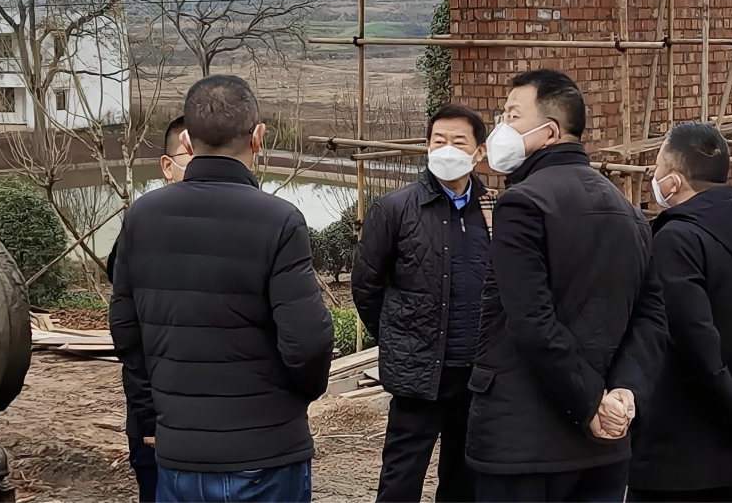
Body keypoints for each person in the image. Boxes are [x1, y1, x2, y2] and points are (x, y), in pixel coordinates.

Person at [109, 75, 334, 503]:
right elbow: (309, 341)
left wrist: (150, 416)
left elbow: (125, 330)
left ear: (187, 142)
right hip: (267, 451)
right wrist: (294, 400)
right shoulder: (280, 220)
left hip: (180, 455)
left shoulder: (142, 216)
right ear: (258, 137)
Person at [467, 70, 666, 503]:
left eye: (512, 116)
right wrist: (624, 393)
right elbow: (651, 319)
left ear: (550, 132)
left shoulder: (523, 203)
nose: (501, 128)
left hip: (525, 442)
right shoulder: (629, 212)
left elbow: (531, 321)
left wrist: (590, 403)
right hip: (606, 442)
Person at [627, 122, 732, 503]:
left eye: (657, 166)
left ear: (674, 181)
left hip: (670, 455)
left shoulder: (676, 239)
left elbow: (691, 338)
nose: (653, 176)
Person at [352, 104, 496, 503]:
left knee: (464, 475)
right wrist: (398, 338)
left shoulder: (494, 210)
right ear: (426, 145)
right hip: (417, 370)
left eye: (458, 142)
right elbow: (366, 286)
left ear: (479, 152)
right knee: (402, 473)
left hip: (475, 372)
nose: (447, 149)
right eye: (439, 140)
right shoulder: (394, 209)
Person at [105, 115, 191, 503]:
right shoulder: (140, 230)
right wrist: (147, 417)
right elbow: (129, 337)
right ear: (167, 167)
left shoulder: (254, 225)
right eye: (192, 160)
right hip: (159, 420)